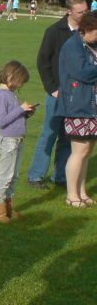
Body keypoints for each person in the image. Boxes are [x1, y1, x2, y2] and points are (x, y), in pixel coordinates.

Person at [26, 0, 89, 189]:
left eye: (86, 10)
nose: (85, 14)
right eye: (81, 12)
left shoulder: (88, 31)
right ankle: (35, 175)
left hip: (78, 95)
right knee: (49, 133)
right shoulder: (54, 31)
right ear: (69, 11)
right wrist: (52, 88)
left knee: (67, 136)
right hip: (58, 93)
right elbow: (42, 62)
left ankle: (61, 176)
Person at [54, 11, 97, 208]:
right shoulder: (73, 46)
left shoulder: (90, 45)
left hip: (91, 105)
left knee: (87, 150)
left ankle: (82, 191)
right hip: (77, 105)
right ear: (88, 29)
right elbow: (82, 73)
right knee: (78, 151)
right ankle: (71, 195)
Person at [0, 61, 36, 222]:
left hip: (17, 140)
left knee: (13, 176)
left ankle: (8, 207)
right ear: (11, 76)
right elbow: (1, 121)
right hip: (7, 141)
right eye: (20, 82)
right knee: (4, 176)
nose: (20, 85)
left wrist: (26, 113)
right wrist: (20, 109)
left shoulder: (10, 94)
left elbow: (13, 117)